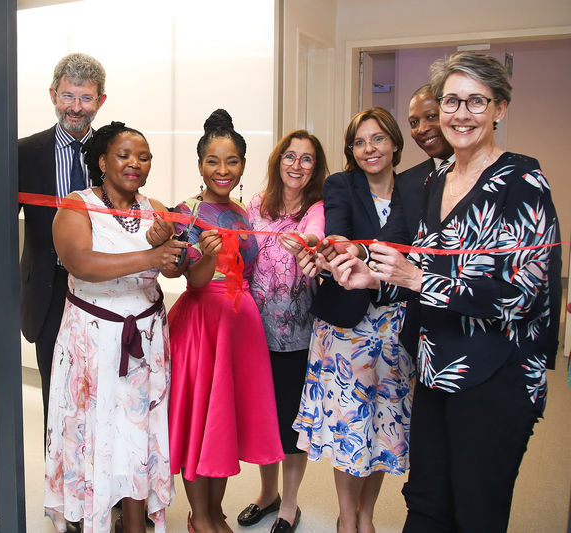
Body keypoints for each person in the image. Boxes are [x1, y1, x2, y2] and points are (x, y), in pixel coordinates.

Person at [328, 52, 561, 533]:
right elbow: (416, 270)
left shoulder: (522, 181)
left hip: (498, 371)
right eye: (452, 101)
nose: (461, 114)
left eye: (477, 101)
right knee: (427, 502)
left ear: (500, 108)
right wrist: (373, 278)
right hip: (434, 366)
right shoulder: (434, 179)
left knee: (476, 510)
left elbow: (524, 294)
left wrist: (417, 279)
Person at [44, 122, 186, 533]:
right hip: (93, 341)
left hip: (145, 340)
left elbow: (173, 271)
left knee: (138, 432)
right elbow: (80, 263)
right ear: (103, 160)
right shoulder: (77, 204)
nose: (134, 163)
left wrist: (173, 249)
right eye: (124, 154)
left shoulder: (155, 207)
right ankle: (91, 517)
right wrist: (152, 254)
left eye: (143, 157)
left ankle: (136, 523)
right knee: (97, 431)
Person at [292, 107, 414, 533]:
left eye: (378, 138)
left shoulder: (416, 188)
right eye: (360, 142)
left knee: (381, 426)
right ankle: (347, 518)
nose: (369, 148)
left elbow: (418, 253)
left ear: (395, 143)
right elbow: (338, 234)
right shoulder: (341, 184)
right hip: (347, 327)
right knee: (349, 425)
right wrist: (348, 251)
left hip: (395, 323)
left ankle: (367, 517)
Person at [167, 109, 284, 533]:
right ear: (200, 165)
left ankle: (215, 512)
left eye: (231, 161)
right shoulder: (186, 212)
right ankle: (200, 515)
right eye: (213, 161)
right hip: (204, 325)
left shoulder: (243, 212)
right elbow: (191, 279)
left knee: (222, 426)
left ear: (243, 166)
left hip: (241, 327)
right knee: (201, 423)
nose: (222, 170)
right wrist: (211, 253)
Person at [237, 131, 328, 533]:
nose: (296, 165)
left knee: (292, 426)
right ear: (278, 161)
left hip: (297, 337)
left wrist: (306, 242)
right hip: (255, 331)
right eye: (290, 157)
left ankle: (289, 506)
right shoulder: (257, 204)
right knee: (264, 420)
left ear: (316, 167)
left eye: (306, 159)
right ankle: (267, 494)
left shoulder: (318, 206)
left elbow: (316, 234)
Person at [18, 53, 106, 453]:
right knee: (57, 394)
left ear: (101, 101)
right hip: (50, 290)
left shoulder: (115, 152)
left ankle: (106, 489)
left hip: (104, 290)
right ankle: (63, 493)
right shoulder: (23, 152)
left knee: (103, 393)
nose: (76, 108)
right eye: (68, 96)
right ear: (53, 95)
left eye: (86, 98)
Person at [381, 85, 455, 357]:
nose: (422, 128)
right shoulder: (409, 181)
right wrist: (355, 252)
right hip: (424, 330)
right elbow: (393, 241)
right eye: (414, 122)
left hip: (479, 331)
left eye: (431, 116)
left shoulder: (500, 176)